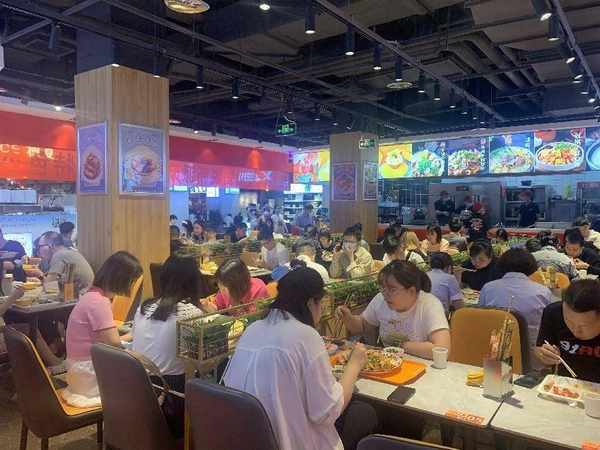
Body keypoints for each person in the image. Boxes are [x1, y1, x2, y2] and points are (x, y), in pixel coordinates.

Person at [224, 267, 377, 450]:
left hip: (247, 439)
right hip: (290, 442)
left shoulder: (253, 329)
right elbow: (327, 412)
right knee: (364, 415)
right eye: (321, 303)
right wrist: (354, 365)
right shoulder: (305, 335)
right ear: (312, 302)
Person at [132, 256, 206, 434]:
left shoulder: (144, 307)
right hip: (171, 397)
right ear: (193, 281)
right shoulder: (190, 314)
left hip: (138, 389)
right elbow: (201, 363)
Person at [63, 251, 143, 407]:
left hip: (79, 370)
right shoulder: (99, 302)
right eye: (132, 280)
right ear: (122, 279)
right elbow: (113, 343)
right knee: (142, 376)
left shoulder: (91, 296)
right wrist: (133, 334)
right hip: (88, 374)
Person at [337, 261, 450, 359]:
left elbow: (443, 350)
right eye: (383, 288)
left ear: (411, 291)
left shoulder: (429, 304)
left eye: (392, 289)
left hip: (422, 366)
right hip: (388, 362)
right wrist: (348, 317)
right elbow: (362, 326)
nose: (385, 294)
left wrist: (401, 346)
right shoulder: (380, 299)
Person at [479, 249, 552, 357]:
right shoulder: (543, 292)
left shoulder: (488, 288)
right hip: (532, 351)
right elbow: (548, 325)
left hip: (494, 349)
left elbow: (481, 318)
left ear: (501, 264)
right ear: (531, 266)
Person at [536, 280, 600, 383]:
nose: (575, 331)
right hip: (565, 384)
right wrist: (544, 355)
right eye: (568, 321)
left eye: (583, 326)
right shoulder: (553, 312)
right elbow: (540, 348)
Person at [201, 259, 268, 316]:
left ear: (238, 285)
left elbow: (254, 318)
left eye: (224, 288)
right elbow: (218, 307)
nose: (222, 291)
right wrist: (207, 306)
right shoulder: (223, 288)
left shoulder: (258, 289)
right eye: (220, 287)